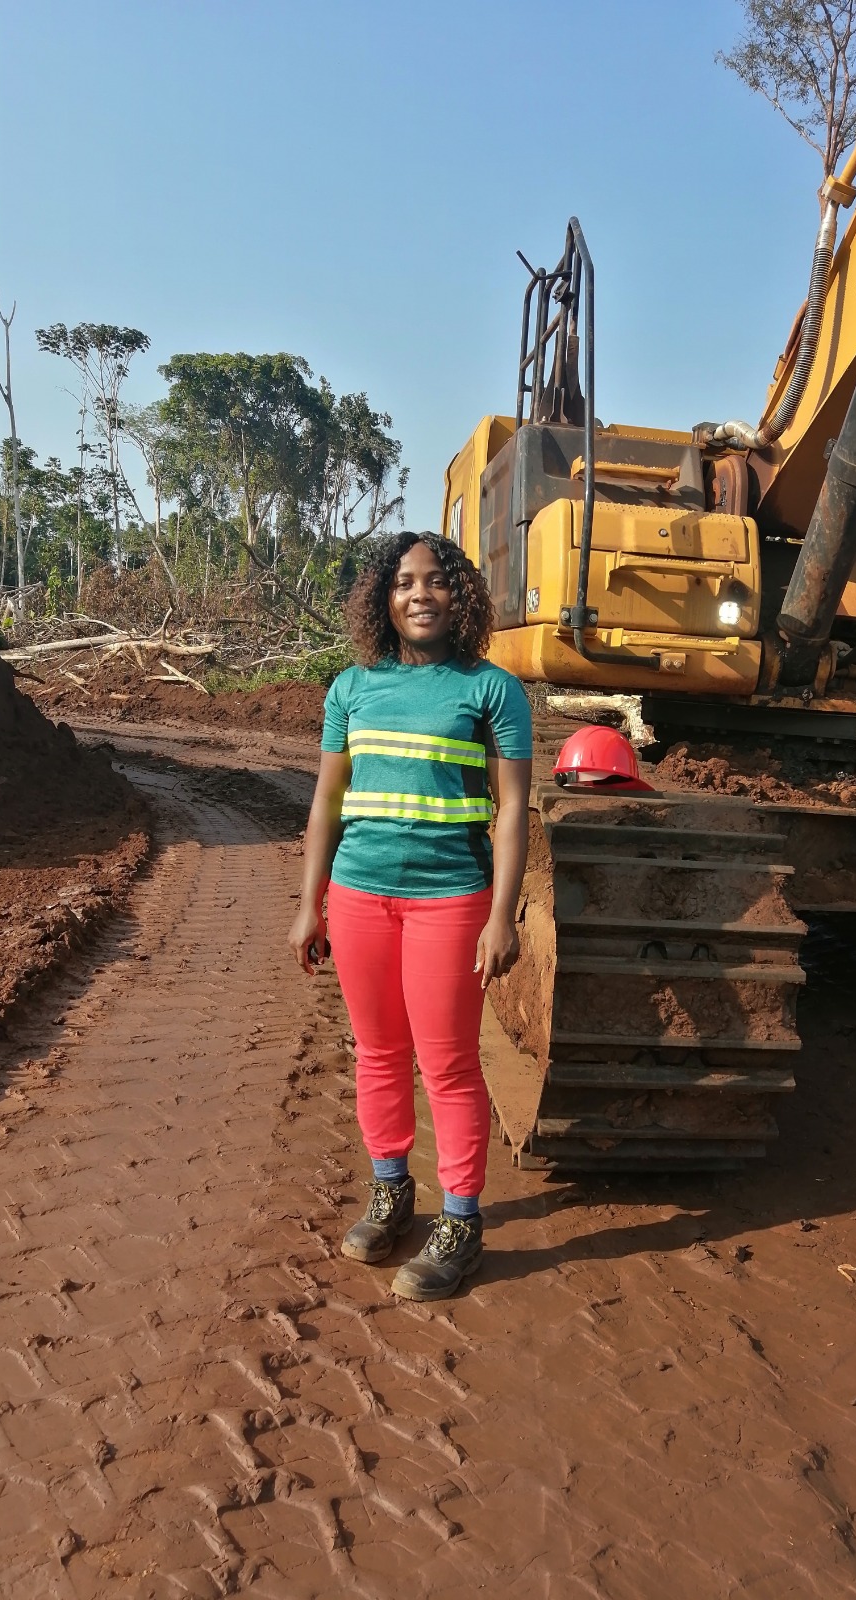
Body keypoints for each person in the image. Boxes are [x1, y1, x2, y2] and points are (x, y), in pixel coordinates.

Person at [288, 531, 532, 1300]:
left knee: (449, 1063)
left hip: (449, 902)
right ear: (381, 599)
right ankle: (392, 1192)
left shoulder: (492, 690)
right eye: (402, 582)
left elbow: (515, 808)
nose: (419, 594)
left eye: (435, 581)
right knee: (379, 1053)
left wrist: (503, 915)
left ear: (461, 594)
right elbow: (326, 801)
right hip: (359, 898)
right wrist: (311, 904)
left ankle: (461, 1220)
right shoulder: (351, 689)